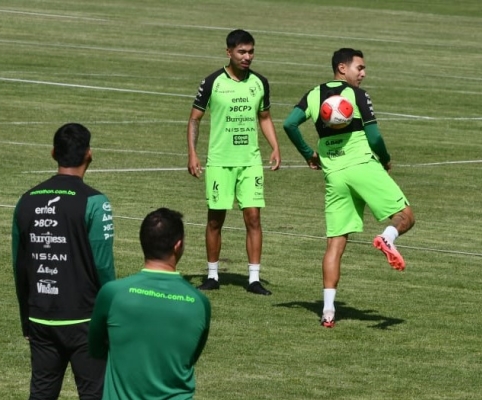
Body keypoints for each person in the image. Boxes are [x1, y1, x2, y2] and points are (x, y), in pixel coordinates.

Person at [283, 48, 415, 328]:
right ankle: (388, 238)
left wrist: (308, 153)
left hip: (334, 175)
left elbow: (290, 124)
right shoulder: (356, 95)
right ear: (342, 68)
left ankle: (328, 312)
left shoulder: (313, 94)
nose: (364, 74)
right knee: (405, 217)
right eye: (360, 68)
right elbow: (375, 136)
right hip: (363, 167)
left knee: (335, 243)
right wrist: (386, 159)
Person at [11, 123, 116, 400]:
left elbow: (19, 266)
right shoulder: (95, 202)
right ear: (89, 154)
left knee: (41, 393)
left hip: (41, 317)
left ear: (53, 153)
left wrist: (27, 319)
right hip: (85, 320)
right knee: (94, 393)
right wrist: (112, 317)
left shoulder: (26, 201)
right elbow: (103, 266)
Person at [187, 28, 281, 295]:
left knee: (253, 218)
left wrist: (275, 147)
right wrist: (193, 153)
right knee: (215, 219)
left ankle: (253, 279)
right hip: (219, 162)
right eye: (241, 51)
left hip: (249, 162)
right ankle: (213, 275)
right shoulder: (212, 82)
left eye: (251, 51)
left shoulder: (260, 83)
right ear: (228, 52)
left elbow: (264, 117)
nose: (247, 56)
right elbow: (195, 118)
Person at [89, 208, 211, 400]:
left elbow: (96, 348)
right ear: (178, 246)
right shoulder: (199, 302)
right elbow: (190, 356)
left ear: (143, 242)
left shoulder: (112, 294)